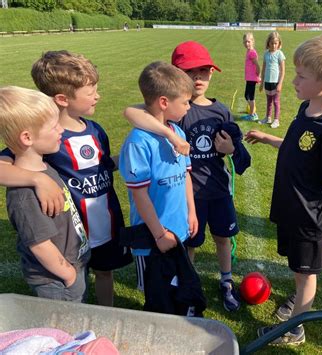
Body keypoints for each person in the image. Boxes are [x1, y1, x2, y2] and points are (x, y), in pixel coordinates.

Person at [245, 32, 322, 345]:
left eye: (301, 75)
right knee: (298, 269)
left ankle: (294, 330)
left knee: (306, 274)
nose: (293, 80)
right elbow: (297, 149)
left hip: (307, 216)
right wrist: (270, 139)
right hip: (290, 208)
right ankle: (298, 303)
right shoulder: (305, 110)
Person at [124, 41, 251, 312]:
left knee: (221, 238)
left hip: (215, 190)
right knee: (188, 245)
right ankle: (184, 281)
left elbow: (239, 152)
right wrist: (170, 134)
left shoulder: (217, 110)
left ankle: (224, 282)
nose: (198, 77)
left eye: (204, 70)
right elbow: (132, 112)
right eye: (191, 71)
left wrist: (231, 149)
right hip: (186, 198)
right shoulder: (175, 114)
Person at [1, 50, 133, 307]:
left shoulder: (96, 131)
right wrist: (38, 180)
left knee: (105, 272)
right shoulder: (43, 140)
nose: (98, 95)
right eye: (91, 91)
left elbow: (103, 166)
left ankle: (107, 313)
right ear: (63, 98)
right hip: (69, 235)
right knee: (74, 281)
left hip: (104, 220)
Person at [119, 61, 205, 315]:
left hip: (178, 228)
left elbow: (186, 176)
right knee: (156, 299)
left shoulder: (176, 131)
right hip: (152, 238)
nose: (189, 107)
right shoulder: (138, 142)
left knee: (178, 286)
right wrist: (158, 234)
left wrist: (191, 211)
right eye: (185, 102)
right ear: (164, 102)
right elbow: (139, 194)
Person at [0, 86, 90, 302]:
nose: (61, 129)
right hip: (56, 279)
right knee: (64, 329)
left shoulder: (43, 167)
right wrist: (69, 275)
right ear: (27, 137)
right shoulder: (24, 196)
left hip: (71, 263)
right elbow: (39, 244)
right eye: (54, 126)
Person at [259, 31, 285, 128]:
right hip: (267, 81)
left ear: (279, 44)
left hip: (275, 82)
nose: (273, 46)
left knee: (276, 101)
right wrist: (262, 83)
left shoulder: (279, 54)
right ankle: (268, 118)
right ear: (268, 43)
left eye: (276, 43)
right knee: (269, 101)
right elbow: (263, 68)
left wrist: (280, 83)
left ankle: (276, 120)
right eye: (272, 43)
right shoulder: (266, 54)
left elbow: (283, 71)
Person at [241, 32, 261, 122]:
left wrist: (258, 76)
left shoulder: (252, 52)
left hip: (252, 79)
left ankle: (253, 114)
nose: (247, 44)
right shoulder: (249, 51)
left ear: (253, 41)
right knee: (247, 95)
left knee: (250, 96)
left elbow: (257, 65)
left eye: (248, 42)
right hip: (249, 78)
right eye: (245, 42)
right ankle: (252, 113)